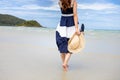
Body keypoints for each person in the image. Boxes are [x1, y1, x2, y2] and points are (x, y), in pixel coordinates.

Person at [56, 0, 80, 71]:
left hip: (62, 25)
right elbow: (75, 15)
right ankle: (65, 63)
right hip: (71, 25)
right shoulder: (73, 2)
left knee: (62, 46)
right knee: (71, 45)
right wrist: (76, 28)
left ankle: (64, 63)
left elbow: (64, 12)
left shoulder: (60, 2)